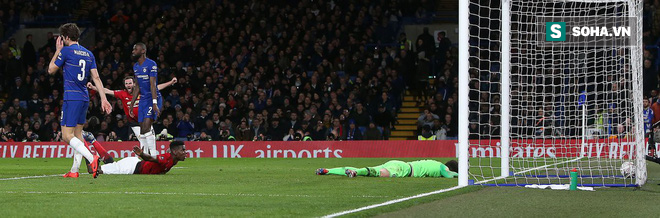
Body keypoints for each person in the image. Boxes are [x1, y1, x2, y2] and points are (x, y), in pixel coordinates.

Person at [48, 23, 112, 178]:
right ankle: (75, 170)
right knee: (78, 135)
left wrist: (57, 51)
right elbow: (96, 77)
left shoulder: (66, 51)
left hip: (72, 96)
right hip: (84, 97)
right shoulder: (88, 54)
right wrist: (103, 98)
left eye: (62, 38)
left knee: (66, 135)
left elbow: (50, 70)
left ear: (66, 37)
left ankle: (92, 158)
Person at [87, 76, 177, 156]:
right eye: (126, 83)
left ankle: (153, 157)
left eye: (130, 83)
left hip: (145, 119)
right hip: (134, 122)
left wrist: (170, 82)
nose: (128, 85)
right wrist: (94, 87)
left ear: (134, 84)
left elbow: (156, 88)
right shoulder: (122, 93)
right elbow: (107, 91)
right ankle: (147, 159)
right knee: (143, 140)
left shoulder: (142, 91)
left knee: (151, 138)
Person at [128, 43, 162, 159]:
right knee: (142, 130)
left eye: (135, 49)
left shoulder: (151, 64)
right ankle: (143, 157)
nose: (133, 51)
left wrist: (154, 103)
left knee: (147, 127)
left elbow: (153, 85)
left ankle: (154, 156)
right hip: (142, 100)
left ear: (142, 51)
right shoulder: (136, 66)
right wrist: (132, 104)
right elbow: (137, 86)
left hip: (152, 98)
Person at [99, 141, 186, 175]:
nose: (185, 153)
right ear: (174, 152)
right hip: (131, 167)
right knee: (97, 170)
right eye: (183, 150)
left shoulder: (174, 160)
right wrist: (142, 154)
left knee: (112, 166)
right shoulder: (167, 158)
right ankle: (90, 157)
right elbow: (151, 158)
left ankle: (101, 157)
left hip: (136, 164)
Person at [316, 159, 458, 178]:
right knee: (378, 173)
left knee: (371, 169)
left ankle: (328, 170)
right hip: (403, 169)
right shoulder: (442, 167)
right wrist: (461, 175)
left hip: (399, 163)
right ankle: (355, 173)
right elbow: (448, 175)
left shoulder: (434, 162)